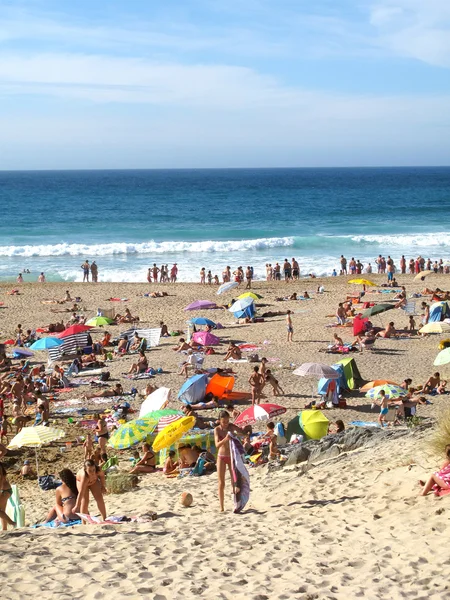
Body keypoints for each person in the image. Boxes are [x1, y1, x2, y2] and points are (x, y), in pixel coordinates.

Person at [214, 410, 244, 512]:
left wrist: (239, 433)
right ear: (219, 421)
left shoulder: (231, 427)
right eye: (224, 422)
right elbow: (217, 445)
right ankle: (221, 507)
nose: (226, 424)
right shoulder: (217, 430)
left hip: (231, 456)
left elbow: (241, 433)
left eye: (227, 421)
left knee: (234, 481)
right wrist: (226, 439)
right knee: (221, 483)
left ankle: (235, 504)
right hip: (221, 456)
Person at [0, 464, 15, 530]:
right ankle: (5, 529)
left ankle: (12, 523)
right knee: (2, 510)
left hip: (4, 490)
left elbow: (1, 478)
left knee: (1, 511)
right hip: (5, 490)